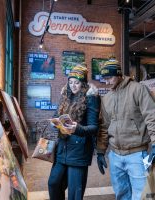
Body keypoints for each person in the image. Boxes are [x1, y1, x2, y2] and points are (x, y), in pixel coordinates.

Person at [96, 58, 155, 200]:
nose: (107, 82)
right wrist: (101, 151)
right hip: (115, 156)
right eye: (105, 79)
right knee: (121, 194)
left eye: (110, 77)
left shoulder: (138, 89)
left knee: (141, 195)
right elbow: (104, 126)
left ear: (119, 74)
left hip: (137, 154)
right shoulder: (106, 98)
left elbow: (152, 117)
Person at [48, 65, 100, 200]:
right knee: (53, 183)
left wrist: (77, 129)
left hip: (79, 152)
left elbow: (94, 127)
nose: (73, 86)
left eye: (76, 83)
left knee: (74, 194)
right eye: (70, 82)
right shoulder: (65, 96)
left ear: (83, 83)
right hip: (62, 148)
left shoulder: (91, 98)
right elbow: (56, 115)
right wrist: (55, 123)